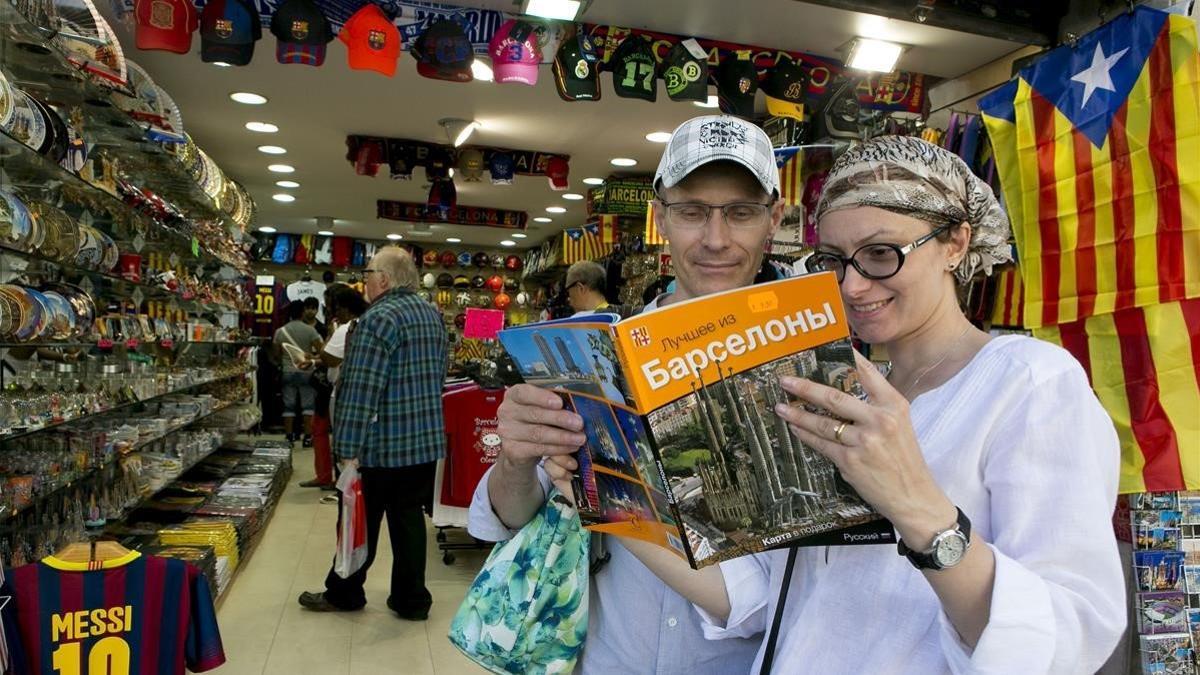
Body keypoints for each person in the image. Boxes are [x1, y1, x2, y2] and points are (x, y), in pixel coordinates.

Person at [584, 136, 1126, 673]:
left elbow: (1070, 636)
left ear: (956, 243)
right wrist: (601, 484)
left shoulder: (1028, 384)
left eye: (881, 254)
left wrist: (921, 510)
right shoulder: (844, 389)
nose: (855, 285)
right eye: (836, 260)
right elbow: (754, 598)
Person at [468, 115, 785, 672]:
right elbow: (512, 516)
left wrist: (606, 500)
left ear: (773, 220)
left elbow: (771, 598)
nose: (715, 239)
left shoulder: (802, 363)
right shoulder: (594, 355)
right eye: (691, 212)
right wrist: (517, 459)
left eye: (740, 212)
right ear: (660, 218)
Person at [299, 247, 448, 620]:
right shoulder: (431, 315)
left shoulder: (377, 319)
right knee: (409, 520)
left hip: (383, 445)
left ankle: (345, 593)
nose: (363, 281)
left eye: (367, 273)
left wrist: (346, 448)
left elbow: (361, 389)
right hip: (424, 441)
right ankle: (412, 600)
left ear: (384, 278)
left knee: (357, 518)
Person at [305, 285, 370, 500]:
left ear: (342, 307)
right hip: (357, 392)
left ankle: (345, 486)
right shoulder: (364, 324)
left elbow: (330, 358)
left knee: (341, 441)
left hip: (342, 392)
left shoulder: (345, 329)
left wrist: (330, 334)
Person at [272, 301, 323, 447]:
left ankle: (289, 437)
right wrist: (311, 357)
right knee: (308, 405)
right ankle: (308, 437)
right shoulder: (310, 331)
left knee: (288, 405)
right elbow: (321, 352)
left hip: (288, 371)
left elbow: (276, 354)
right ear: (302, 312)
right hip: (306, 371)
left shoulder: (280, 332)